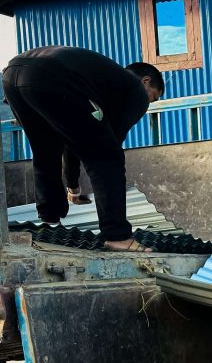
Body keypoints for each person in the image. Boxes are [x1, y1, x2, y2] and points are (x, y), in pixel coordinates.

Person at [2, 46, 164, 251]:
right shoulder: (134, 90)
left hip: (12, 74)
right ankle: (118, 236)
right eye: (154, 97)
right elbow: (103, 148)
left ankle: (49, 220)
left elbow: (76, 138)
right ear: (146, 81)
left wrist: (73, 186)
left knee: (46, 150)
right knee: (108, 158)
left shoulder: (98, 80)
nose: (150, 102)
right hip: (51, 74)